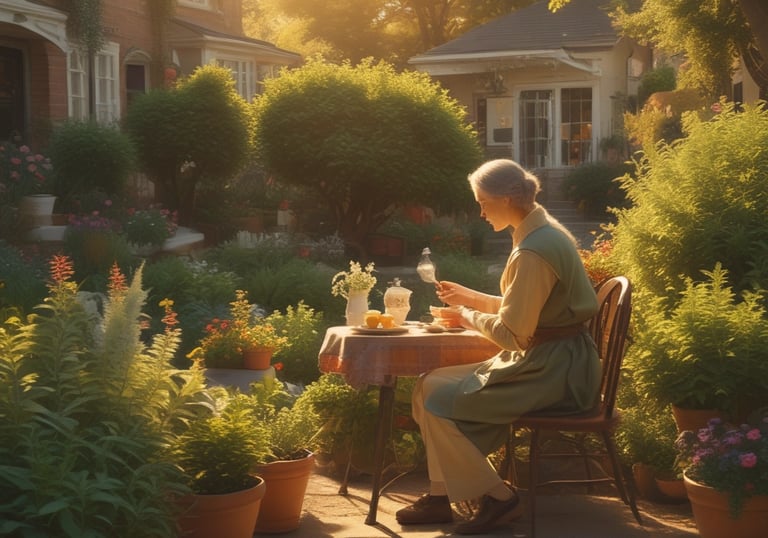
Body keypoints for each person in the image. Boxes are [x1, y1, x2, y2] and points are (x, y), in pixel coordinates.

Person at [395, 159, 601, 534]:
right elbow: (526, 310)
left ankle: (499, 499)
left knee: (436, 399)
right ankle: (442, 496)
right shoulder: (541, 234)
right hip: (556, 359)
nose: (480, 211)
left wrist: (465, 317)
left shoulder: (533, 251)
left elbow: (514, 335)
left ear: (507, 199)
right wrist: (470, 298)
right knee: (428, 385)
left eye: (483, 202)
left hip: (556, 373)